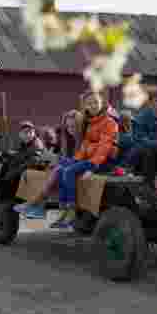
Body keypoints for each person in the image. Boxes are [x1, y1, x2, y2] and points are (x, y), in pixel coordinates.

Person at [50, 91, 119, 229]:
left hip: (103, 161)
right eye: (89, 103)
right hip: (90, 158)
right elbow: (84, 146)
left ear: (102, 103)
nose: (92, 105)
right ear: (85, 106)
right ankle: (64, 208)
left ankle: (72, 209)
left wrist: (91, 167)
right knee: (63, 165)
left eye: (95, 102)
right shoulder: (92, 122)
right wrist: (75, 160)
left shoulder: (109, 122)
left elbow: (104, 147)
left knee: (69, 171)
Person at [15, 109, 83, 219]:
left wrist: (57, 159)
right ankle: (37, 206)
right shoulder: (68, 139)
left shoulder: (84, 139)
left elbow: (79, 160)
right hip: (68, 167)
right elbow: (67, 158)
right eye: (68, 126)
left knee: (55, 170)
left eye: (74, 126)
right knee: (47, 171)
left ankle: (35, 204)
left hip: (80, 169)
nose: (71, 129)